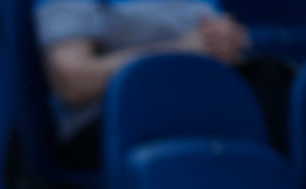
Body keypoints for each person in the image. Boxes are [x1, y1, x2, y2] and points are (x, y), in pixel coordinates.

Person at [33, 0, 263, 168]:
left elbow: (212, 40)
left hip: (201, 101)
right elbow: (73, 81)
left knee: (271, 83)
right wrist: (181, 51)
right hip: (117, 123)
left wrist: (227, 41)